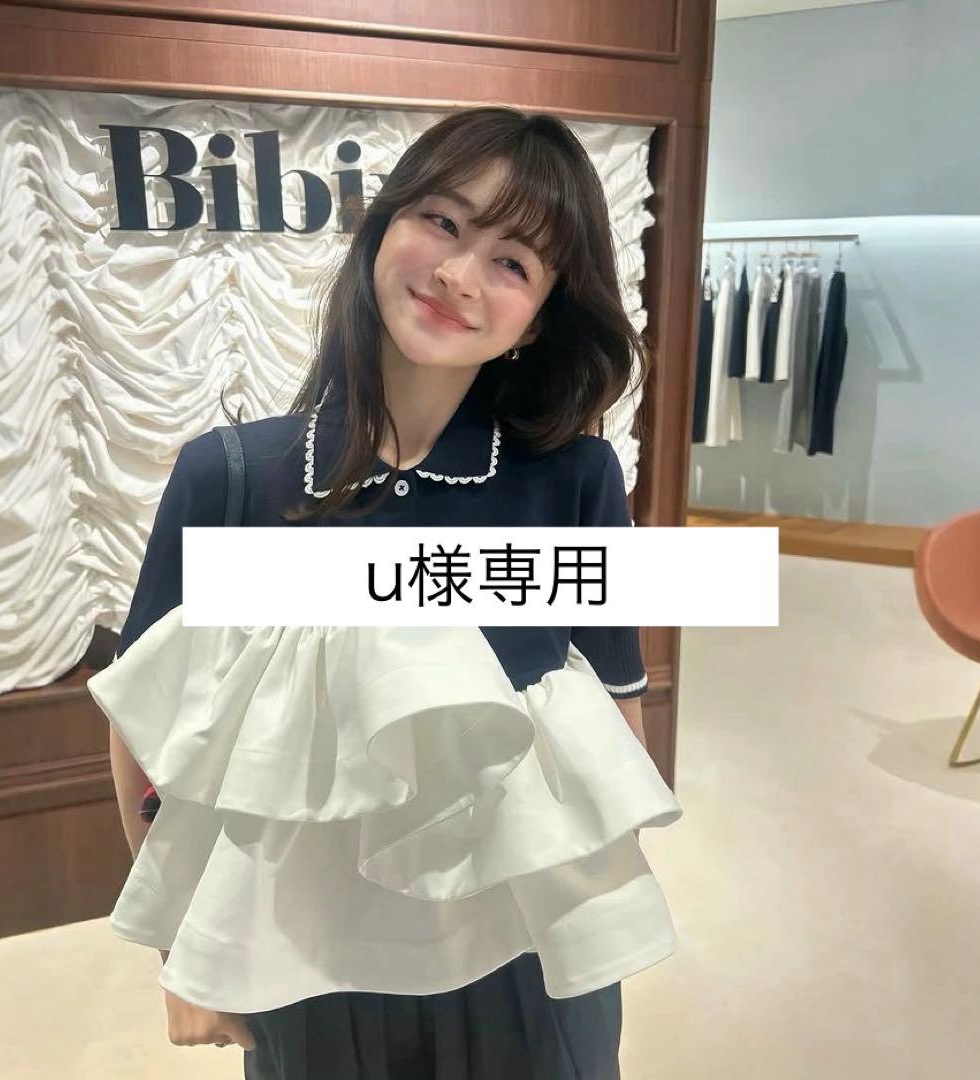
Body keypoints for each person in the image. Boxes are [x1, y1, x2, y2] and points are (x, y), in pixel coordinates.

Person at [91, 106, 683, 1079]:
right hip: (301, 951)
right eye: (444, 222)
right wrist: (182, 944)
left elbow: (617, 707)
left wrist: (604, 907)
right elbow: (147, 729)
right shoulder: (233, 477)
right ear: (383, 228)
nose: (460, 274)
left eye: (512, 262)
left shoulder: (573, 481)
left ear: (540, 319)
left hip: (525, 953)